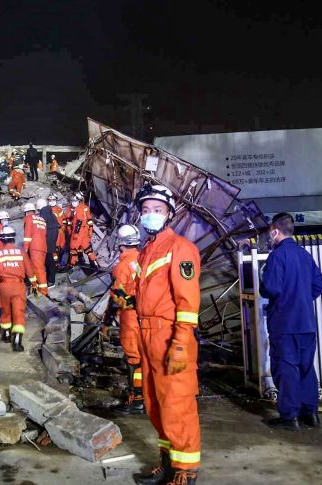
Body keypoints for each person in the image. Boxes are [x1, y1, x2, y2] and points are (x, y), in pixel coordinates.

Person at [133, 184, 201, 485]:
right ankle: (169, 465)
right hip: (147, 335)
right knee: (154, 402)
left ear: (169, 214)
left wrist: (181, 342)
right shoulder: (147, 250)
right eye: (145, 210)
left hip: (169, 335)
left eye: (157, 210)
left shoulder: (181, 248)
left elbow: (187, 302)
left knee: (177, 403)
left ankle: (186, 473)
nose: (150, 215)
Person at [260, 212, 322, 431]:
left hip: (284, 323)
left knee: (286, 369)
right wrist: (302, 299)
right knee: (306, 368)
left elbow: (271, 288)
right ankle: (311, 414)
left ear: (275, 230)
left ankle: (290, 417)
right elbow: (318, 286)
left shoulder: (277, 257)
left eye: (271, 231)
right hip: (306, 323)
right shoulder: (305, 255)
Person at [110, 224, 145, 415]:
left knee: (133, 358)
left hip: (130, 316)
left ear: (121, 243)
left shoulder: (121, 267)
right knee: (145, 355)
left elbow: (118, 297)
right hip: (147, 315)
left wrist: (109, 319)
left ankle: (137, 399)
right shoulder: (144, 259)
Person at [0, 226, 39, 351]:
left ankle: (6, 334)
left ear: (2, 239)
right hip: (18, 286)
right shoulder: (21, 251)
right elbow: (29, 269)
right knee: (18, 312)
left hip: (4, 287)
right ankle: (17, 341)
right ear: (13, 238)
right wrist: (34, 284)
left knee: (5, 311)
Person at [23, 201, 49, 296]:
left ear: (26, 212)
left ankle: (43, 292)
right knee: (35, 270)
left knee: (38, 270)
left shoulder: (28, 218)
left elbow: (27, 235)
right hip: (43, 247)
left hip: (35, 247)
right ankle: (35, 292)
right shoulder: (41, 219)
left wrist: (25, 249)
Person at [68, 191, 98, 268]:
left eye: (75, 201)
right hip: (85, 231)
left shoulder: (79, 209)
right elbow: (89, 220)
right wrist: (90, 229)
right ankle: (95, 264)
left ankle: (72, 265)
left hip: (79, 232)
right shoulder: (84, 207)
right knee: (87, 248)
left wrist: (75, 233)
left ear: (79, 200)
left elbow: (79, 222)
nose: (73, 203)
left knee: (73, 248)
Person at [37, 197, 61, 289]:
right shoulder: (52, 214)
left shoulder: (43, 216)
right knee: (52, 261)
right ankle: (51, 279)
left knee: (49, 262)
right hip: (53, 241)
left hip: (47, 243)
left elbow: (41, 230)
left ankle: (51, 281)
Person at [49, 194, 66, 266]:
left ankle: (60, 263)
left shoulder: (59, 209)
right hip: (53, 232)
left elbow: (64, 219)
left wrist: (64, 228)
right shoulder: (48, 210)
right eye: (50, 200)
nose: (52, 201)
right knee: (54, 248)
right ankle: (55, 264)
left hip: (61, 232)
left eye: (53, 200)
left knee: (62, 247)